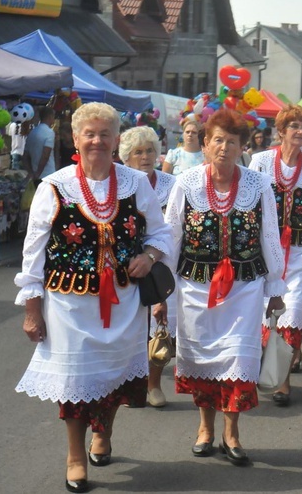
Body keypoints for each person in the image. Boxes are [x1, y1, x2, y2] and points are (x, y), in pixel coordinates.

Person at [14, 102, 172, 493]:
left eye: (105, 134)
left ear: (117, 139)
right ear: (77, 138)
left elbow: (162, 234)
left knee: (116, 376)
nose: (97, 141)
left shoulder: (135, 183)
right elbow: (33, 256)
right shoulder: (54, 186)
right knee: (75, 381)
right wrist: (33, 312)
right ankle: (75, 456)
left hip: (125, 303)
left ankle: (104, 432)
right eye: (90, 134)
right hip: (70, 305)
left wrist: (147, 256)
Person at [165, 108, 286, 464]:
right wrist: (164, 292)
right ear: (205, 144)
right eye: (217, 140)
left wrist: (275, 287)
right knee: (200, 360)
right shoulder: (186, 183)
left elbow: (269, 235)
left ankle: (231, 433)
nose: (224, 148)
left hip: (244, 289)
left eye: (232, 142)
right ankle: (205, 428)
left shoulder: (258, 184)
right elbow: (172, 236)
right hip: (195, 288)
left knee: (238, 359)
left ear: (242, 147)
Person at [249, 105, 302, 405]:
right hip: (262, 251)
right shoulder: (260, 162)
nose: (300, 131)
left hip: (298, 252)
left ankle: (282, 377)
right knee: (258, 313)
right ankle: (254, 370)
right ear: (280, 131)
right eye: (293, 125)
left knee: (292, 312)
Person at [118, 126, 178, 408]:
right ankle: (131, 383)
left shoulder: (172, 184)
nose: (145, 156)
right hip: (127, 265)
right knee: (130, 326)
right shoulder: (119, 184)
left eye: (150, 150)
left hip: (164, 261)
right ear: (126, 158)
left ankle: (153, 384)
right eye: (138, 152)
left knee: (161, 324)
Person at [23, 106, 57, 183]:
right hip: (48, 174)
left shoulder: (32, 132)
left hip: (34, 174)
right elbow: (45, 154)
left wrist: (31, 172)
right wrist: (38, 172)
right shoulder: (49, 133)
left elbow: (25, 156)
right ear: (50, 116)